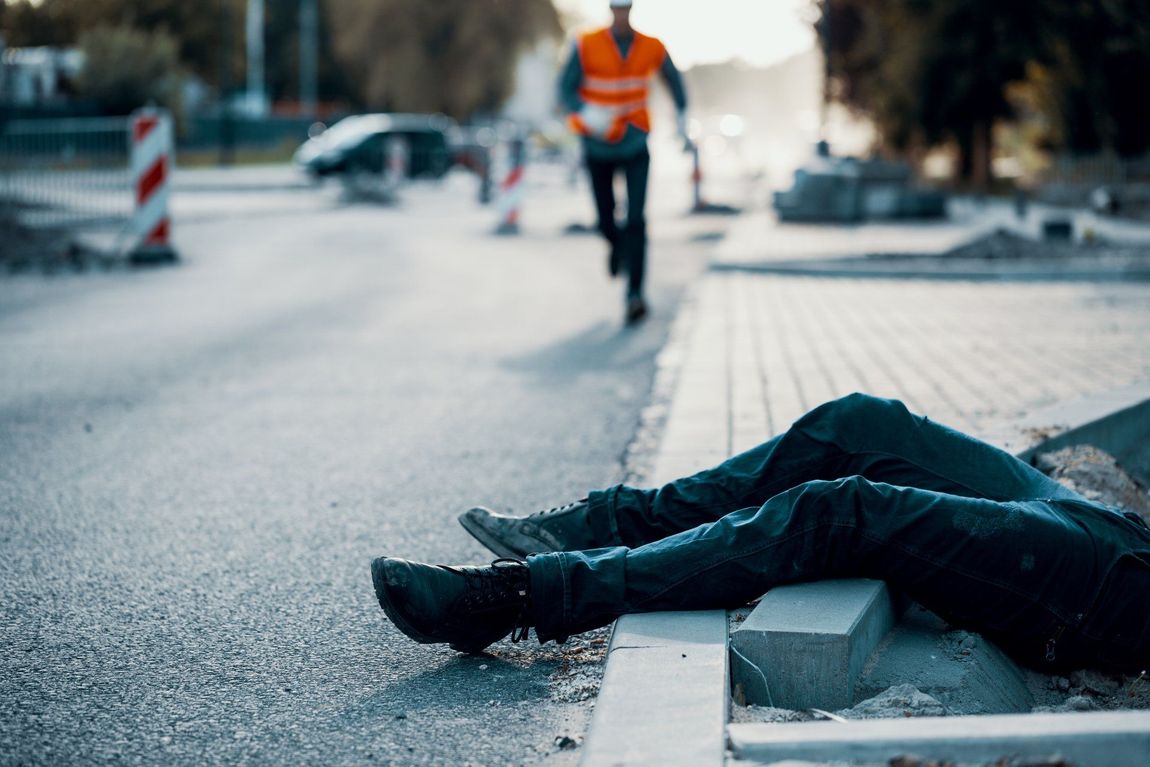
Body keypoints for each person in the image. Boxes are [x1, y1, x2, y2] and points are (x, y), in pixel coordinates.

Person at [370, 393, 1150, 672]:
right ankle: (595, 524)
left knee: (836, 511)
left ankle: (520, 595)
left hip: (1119, 589)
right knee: (858, 422)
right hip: (1106, 521)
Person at [560, 0, 691, 325]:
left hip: (634, 143)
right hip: (598, 145)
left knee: (636, 220)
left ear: (631, 10)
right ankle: (617, 246)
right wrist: (585, 111)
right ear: (610, 10)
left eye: (625, 9)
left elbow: (674, 83)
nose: (621, 15)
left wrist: (682, 117)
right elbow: (565, 88)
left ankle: (635, 294)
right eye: (616, 9)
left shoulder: (650, 45)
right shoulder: (586, 43)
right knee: (606, 219)